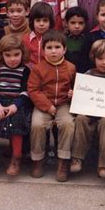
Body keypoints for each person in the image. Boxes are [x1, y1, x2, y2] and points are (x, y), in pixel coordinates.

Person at [0, 35, 33, 178]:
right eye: (8, 55)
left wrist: (15, 105)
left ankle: (16, 159)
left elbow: (25, 92)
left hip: (17, 104)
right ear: (1, 55)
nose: (12, 59)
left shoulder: (25, 71)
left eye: (16, 55)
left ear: (22, 53)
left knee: (16, 126)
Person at [70, 39, 105, 178]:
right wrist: (75, 95)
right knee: (81, 119)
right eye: (100, 58)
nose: (104, 62)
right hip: (88, 112)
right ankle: (77, 158)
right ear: (93, 58)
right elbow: (82, 99)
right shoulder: (88, 74)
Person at [28, 30, 76, 182]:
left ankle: (63, 161)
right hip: (44, 105)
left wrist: (72, 93)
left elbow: (77, 87)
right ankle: (38, 160)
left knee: (68, 124)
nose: (53, 51)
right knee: (36, 125)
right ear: (43, 50)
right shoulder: (38, 68)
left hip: (63, 104)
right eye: (49, 48)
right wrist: (47, 106)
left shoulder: (70, 68)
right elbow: (33, 90)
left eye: (57, 47)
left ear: (64, 49)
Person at [22, 2, 55, 69]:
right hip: (30, 73)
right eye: (38, 20)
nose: (41, 24)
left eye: (45, 21)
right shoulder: (25, 39)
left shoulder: (54, 40)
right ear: (32, 21)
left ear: (50, 22)